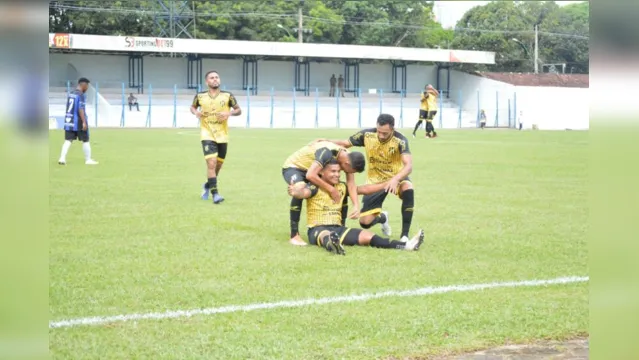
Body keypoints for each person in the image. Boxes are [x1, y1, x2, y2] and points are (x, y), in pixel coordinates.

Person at [288, 161, 424, 255]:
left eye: (338, 171)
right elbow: (303, 193)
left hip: (338, 229)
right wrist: (296, 192)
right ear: (322, 172)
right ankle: (332, 244)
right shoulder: (314, 187)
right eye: (332, 171)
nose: (337, 174)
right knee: (326, 236)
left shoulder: (342, 187)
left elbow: (364, 189)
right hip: (317, 229)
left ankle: (406, 246)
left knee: (368, 237)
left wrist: (386, 184)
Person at [318, 114, 415, 242]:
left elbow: (408, 166)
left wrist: (396, 179)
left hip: (395, 178)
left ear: (392, 129)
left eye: (385, 133)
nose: (381, 135)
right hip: (374, 182)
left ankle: (404, 236)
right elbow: (345, 143)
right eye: (379, 131)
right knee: (364, 222)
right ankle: (383, 218)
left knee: (407, 188)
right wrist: (325, 141)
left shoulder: (400, 140)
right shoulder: (367, 135)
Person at [282, 141, 366, 246]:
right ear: (347, 164)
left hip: (313, 170)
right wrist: (331, 189)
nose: (349, 173)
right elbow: (310, 175)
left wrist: (356, 206)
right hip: (295, 167)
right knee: (300, 187)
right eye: (351, 171)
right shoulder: (327, 153)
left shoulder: (349, 157)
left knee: (338, 187)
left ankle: (340, 228)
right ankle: (294, 235)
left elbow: (351, 184)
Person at [191, 70, 242, 204]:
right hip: (207, 133)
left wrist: (228, 113)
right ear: (207, 82)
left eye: (217, 77)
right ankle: (215, 194)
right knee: (211, 163)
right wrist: (196, 112)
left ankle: (207, 185)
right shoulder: (200, 96)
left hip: (222, 135)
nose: (215, 79)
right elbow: (192, 107)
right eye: (212, 78)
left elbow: (238, 110)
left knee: (218, 165)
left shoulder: (228, 96)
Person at [58, 77, 98, 165]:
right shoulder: (81, 95)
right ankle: (88, 160)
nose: (87, 88)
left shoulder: (71, 93)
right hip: (78, 121)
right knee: (85, 140)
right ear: (83, 85)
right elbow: (80, 108)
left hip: (69, 120)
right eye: (87, 86)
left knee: (68, 140)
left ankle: (62, 158)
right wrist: (84, 122)